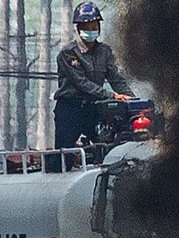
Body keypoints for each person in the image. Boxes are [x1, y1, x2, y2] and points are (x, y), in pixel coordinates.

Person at [53, 1, 134, 167]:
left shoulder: (104, 51)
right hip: (70, 108)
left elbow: (115, 78)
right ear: (78, 28)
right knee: (63, 156)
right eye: (87, 26)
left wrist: (131, 99)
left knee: (107, 147)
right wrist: (112, 95)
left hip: (94, 108)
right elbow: (82, 83)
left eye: (94, 26)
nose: (91, 30)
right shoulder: (68, 53)